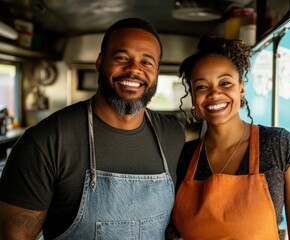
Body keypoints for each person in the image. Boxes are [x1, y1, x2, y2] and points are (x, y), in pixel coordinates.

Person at [0, 18, 185, 240]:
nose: (134, 70)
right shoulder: (46, 141)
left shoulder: (174, 135)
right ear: (100, 62)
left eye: (147, 62)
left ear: (156, 72)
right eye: (121, 57)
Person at [169, 34, 290, 239]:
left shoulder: (281, 147)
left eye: (225, 83)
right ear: (194, 97)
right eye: (202, 86)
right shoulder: (183, 156)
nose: (214, 94)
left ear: (241, 89)